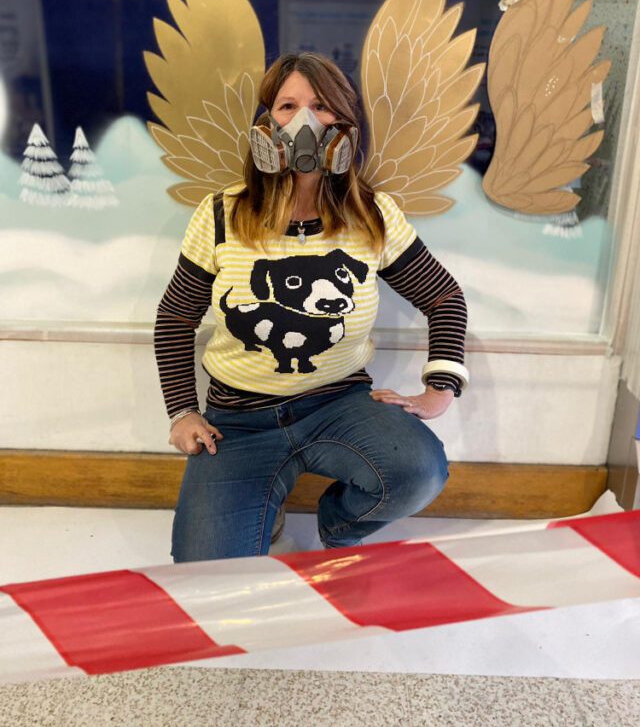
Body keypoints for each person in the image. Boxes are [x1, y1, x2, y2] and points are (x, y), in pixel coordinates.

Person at [153, 52, 469, 562]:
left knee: (418, 470)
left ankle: (338, 528)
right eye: (287, 106)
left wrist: (440, 390)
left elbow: (443, 296)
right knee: (204, 576)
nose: (305, 122)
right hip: (237, 421)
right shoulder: (220, 215)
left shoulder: (374, 216)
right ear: (265, 124)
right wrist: (182, 411)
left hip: (338, 405)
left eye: (322, 106)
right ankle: (265, 505)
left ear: (344, 124)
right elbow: (175, 318)